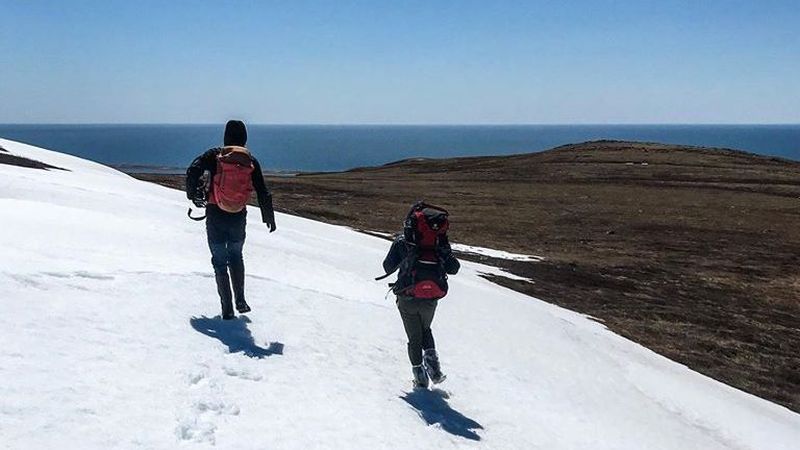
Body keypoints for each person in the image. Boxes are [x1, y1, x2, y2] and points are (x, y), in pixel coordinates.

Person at [186, 120, 277, 320]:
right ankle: (241, 300)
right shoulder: (250, 160)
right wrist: (268, 216)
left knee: (219, 261)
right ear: (244, 138)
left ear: (226, 136)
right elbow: (262, 189)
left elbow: (192, 170)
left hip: (215, 214)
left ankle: (227, 309)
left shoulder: (213, 155)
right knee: (236, 256)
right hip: (238, 215)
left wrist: (192, 195)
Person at [381, 202, 460, 388]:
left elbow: (387, 267)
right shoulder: (439, 243)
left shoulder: (403, 241)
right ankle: (433, 365)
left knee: (414, 337)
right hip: (432, 297)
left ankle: (420, 376)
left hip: (407, 295)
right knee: (425, 329)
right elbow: (454, 268)